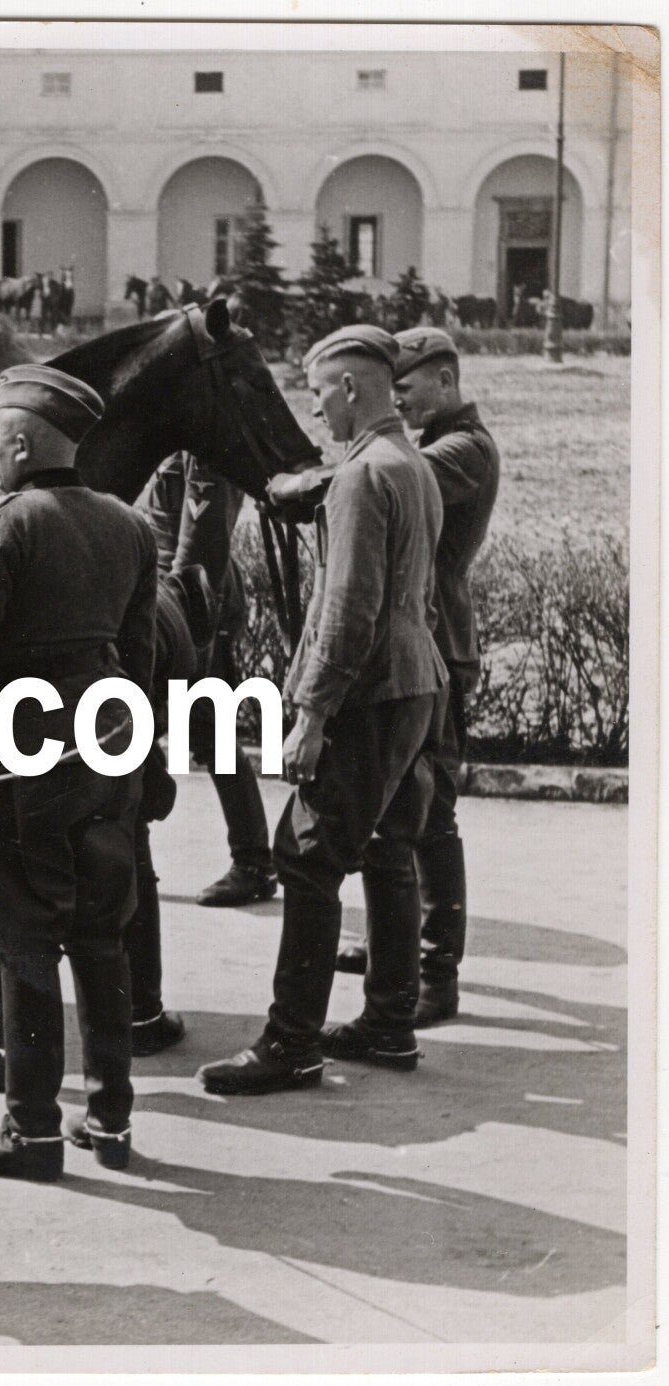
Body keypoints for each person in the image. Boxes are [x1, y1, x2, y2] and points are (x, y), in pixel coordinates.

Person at [0, 364, 156, 1182]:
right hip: (109, 739)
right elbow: (143, 655)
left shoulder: (4, 523)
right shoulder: (128, 524)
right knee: (101, 932)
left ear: (18, 443)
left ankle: (31, 1130)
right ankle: (111, 1122)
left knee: (20, 936)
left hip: (20, 748)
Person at [198, 324, 445, 1096]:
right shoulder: (409, 463)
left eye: (318, 397)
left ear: (349, 388)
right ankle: (389, 1021)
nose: (315, 416)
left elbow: (347, 608)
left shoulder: (362, 477)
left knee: (305, 857)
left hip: (369, 691)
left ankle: (291, 1042)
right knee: (388, 847)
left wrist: (310, 714)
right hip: (415, 683)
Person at [336, 327, 499, 1026]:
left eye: (408, 387)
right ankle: (390, 944)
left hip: (438, 645)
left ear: (446, 378)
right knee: (397, 804)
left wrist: (309, 480)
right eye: (391, 390)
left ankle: (437, 971)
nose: (399, 401)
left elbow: (392, 480)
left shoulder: (464, 450)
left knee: (431, 811)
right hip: (416, 642)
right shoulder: (432, 445)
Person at [133, 453, 278, 907]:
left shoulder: (204, 456)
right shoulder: (176, 443)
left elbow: (196, 556)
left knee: (159, 732)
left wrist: (173, 631)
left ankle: (250, 863)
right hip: (176, 611)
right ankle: (253, 860)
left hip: (188, 614)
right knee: (208, 738)